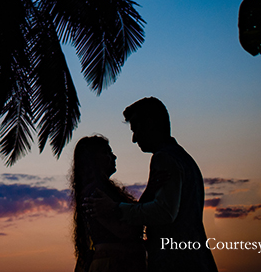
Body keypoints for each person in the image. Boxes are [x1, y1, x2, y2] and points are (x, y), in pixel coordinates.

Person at [88, 97, 217, 272]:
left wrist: (115, 208)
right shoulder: (185, 159)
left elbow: (164, 212)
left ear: (149, 124)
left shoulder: (164, 158)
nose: (134, 139)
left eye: (135, 129)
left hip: (177, 262)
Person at [72, 135, 146, 272]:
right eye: (106, 152)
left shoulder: (98, 190)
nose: (114, 157)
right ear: (92, 160)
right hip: (113, 264)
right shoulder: (95, 194)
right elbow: (123, 231)